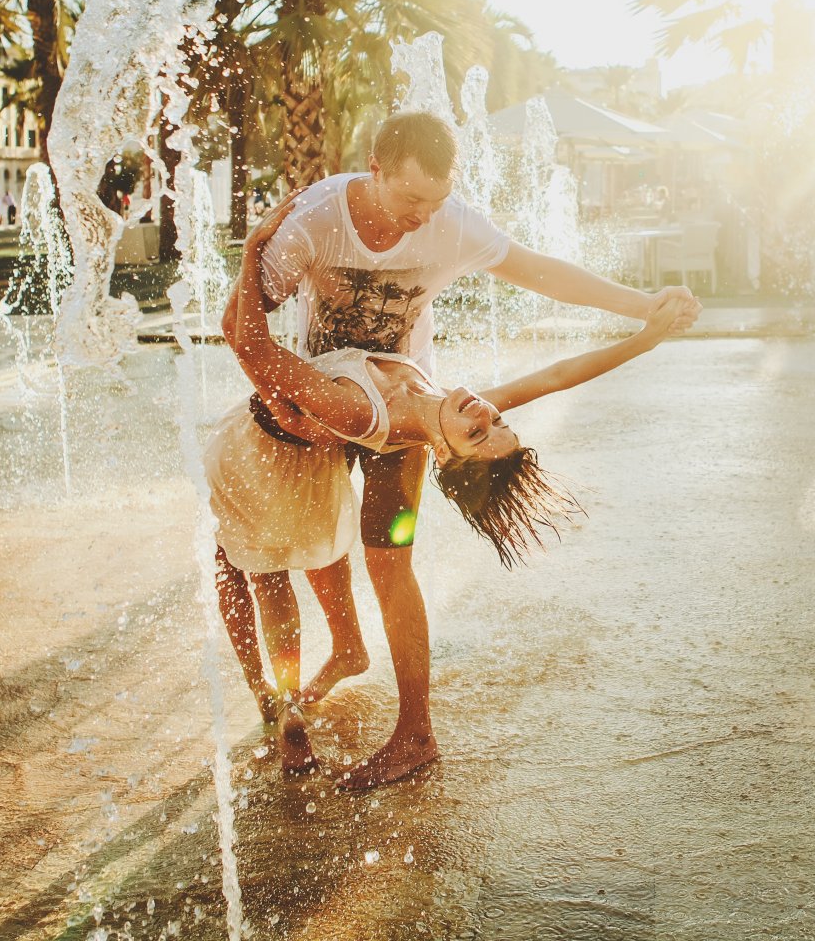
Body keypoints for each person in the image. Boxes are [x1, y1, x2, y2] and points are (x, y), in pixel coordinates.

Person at [221, 110, 699, 790]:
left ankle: (413, 734)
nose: (423, 216)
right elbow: (559, 376)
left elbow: (539, 271)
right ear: (375, 168)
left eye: (437, 201)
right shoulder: (316, 222)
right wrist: (644, 328)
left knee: (383, 563)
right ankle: (346, 651)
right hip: (319, 410)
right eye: (410, 197)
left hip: (355, 412)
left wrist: (640, 302)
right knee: (314, 547)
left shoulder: (449, 239)